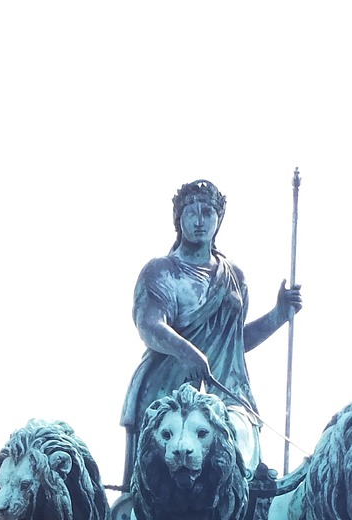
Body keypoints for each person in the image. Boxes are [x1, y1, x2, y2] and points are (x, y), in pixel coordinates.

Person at [120, 179, 302, 485]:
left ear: (219, 218)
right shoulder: (163, 270)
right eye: (191, 212)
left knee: (237, 445)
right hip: (170, 392)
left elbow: (234, 343)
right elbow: (149, 324)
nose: (199, 220)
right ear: (178, 219)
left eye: (208, 212)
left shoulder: (234, 277)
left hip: (226, 390)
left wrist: (277, 315)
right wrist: (186, 351)